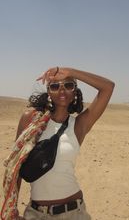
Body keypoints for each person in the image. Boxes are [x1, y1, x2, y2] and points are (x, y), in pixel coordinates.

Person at [1, 67, 115, 220]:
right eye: (55, 86)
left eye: (68, 85)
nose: (62, 90)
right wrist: (11, 210)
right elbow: (16, 166)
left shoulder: (78, 125)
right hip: (36, 214)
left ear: (75, 91)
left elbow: (108, 87)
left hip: (74, 213)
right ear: (48, 91)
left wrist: (70, 72)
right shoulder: (31, 119)